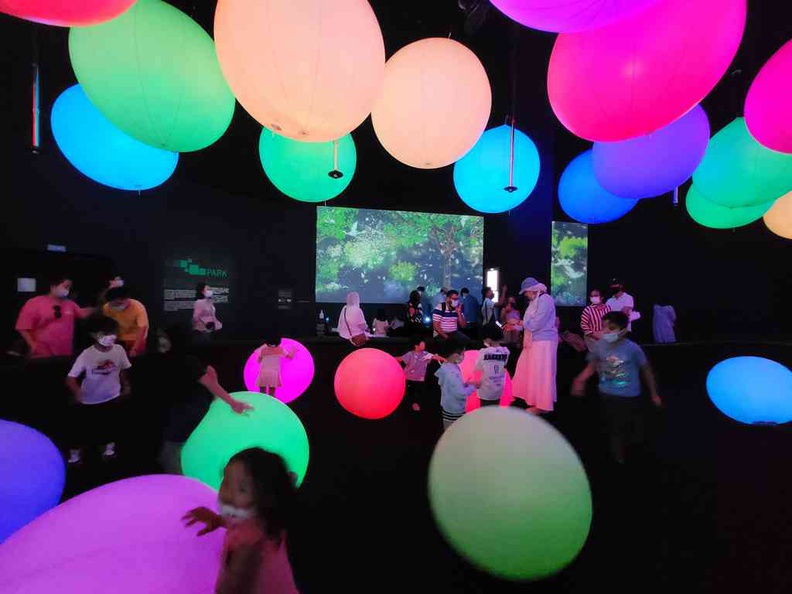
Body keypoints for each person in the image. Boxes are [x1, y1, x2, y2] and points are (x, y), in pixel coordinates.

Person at [183, 448, 300, 594]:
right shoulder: (264, 519)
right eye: (226, 482)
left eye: (242, 489)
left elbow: (232, 588)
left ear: (263, 498)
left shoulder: (247, 545)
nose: (228, 495)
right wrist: (219, 520)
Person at [155, 325, 252, 474]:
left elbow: (210, 382)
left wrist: (232, 402)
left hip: (187, 410)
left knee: (172, 452)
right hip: (181, 410)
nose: (160, 340)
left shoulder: (186, 361)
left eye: (164, 337)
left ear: (174, 340)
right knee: (176, 451)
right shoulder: (171, 360)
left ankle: (181, 484)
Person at [571, 311, 663, 464]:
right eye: (604, 326)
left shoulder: (633, 348)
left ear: (623, 330)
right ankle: (618, 458)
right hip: (607, 394)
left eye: (611, 328)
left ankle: (632, 454)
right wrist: (580, 380)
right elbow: (592, 365)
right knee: (615, 428)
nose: (606, 331)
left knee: (630, 428)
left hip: (629, 396)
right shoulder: (600, 345)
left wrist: (654, 394)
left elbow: (647, 371)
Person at [65, 315, 131, 465]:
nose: (110, 336)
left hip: (112, 396)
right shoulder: (87, 354)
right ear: (94, 335)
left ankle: (109, 448)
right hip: (89, 399)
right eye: (104, 333)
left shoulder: (119, 349)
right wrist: (77, 392)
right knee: (81, 430)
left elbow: (123, 369)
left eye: (112, 332)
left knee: (111, 425)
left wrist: (125, 385)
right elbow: (70, 378)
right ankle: (75, 455)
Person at [15, 275, 92, 358]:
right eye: (65, 286)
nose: (67, 290)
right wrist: (33, 345)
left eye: (69, 287)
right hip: (42, 353)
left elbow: (83, 313)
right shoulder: (35, 302)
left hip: (65, 352)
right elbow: (22, 327)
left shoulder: (70, 304)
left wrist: (99, 308)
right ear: (53, 287)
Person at [512, 277, 558, 414]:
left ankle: (543, 405)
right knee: (527, 369)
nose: (525, 295)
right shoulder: (534, 301)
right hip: (533, 341)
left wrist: (519, 322)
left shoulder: (546, 300)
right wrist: (515, 326)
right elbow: (529, 325)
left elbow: (536, 324)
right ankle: (532, 398)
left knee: (542, 373)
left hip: (544, 342)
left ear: (533, 290)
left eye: (526, 292)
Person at [436, 341, 478, 430]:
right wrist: (474, 387)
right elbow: (460, 394)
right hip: (455, 410)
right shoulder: (452, 372)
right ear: (455, 355)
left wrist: (466, 384)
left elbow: (451, 386)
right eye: (462, 354)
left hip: (448, 405)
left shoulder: (447, 366)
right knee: (454, 431)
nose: (464, 356)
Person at [395, 336, 444, 412]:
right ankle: (410, 403)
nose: (424, 346)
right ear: (416, 346)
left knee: (417, 392)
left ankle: (414, 403)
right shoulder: (410, 354)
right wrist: (390, 358)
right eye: (422, 344)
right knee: (410, 391)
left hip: (420, 378)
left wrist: (444, 359)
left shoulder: (425, 354)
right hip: (409, 377)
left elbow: (435, 357)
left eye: (424, 344)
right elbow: (401, 359)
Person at [103, 286, 149, 356]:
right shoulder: (107, 307)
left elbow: (142, 328)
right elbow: (108, 325)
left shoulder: (138, 307)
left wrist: (135, 349)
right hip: (117, 337)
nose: (115, 306)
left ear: (127, 299)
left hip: (136, 338)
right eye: (113, 304)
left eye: (119, 303)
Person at [474, 324, 509, 407]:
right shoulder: (506, 351)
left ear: (488, 339)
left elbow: (477, 367)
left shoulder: (483, 352)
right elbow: (504, 364)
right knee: (495, 408)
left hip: (486, 388)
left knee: (485, 410)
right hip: (498, 387)